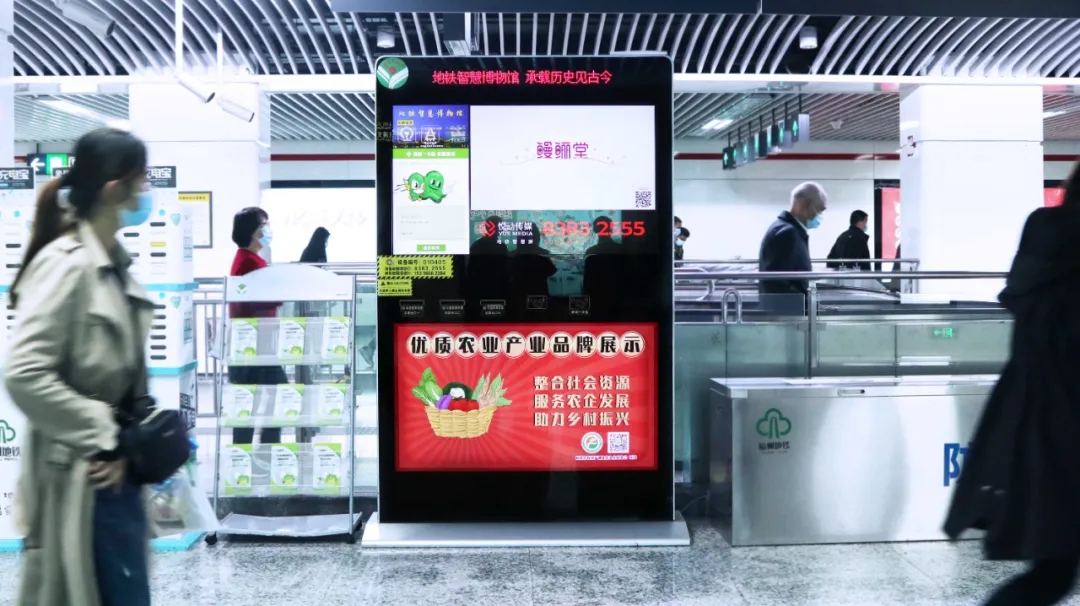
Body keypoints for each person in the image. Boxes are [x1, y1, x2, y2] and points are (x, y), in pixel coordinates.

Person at [3, 128, 155, 605]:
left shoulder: (113, 264)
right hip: (83, 479)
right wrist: (104, 433)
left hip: (117, 473)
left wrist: (136, 440)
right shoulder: (66, 264)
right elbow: (24, 372)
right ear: (115, 189)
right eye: (143, 178)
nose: (147, 189)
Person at [943, 163, 1080, 606]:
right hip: (1065, 424)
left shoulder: (1044, 234)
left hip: (1036, 421)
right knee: (1054, 572)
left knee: (1052, 572)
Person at [229, 206, 286, 446]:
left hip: (254, 341)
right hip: (254, 343)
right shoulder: (249, 262)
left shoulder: (250, 259)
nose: (268, 229)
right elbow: (265, 297)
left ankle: (252, 452)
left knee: (252, 401)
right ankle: (265, 450)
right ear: (252, 231)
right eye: (264, 224)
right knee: (273, 395)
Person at [758, 182, 827, 308]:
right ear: (805, 205)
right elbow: (777, 283)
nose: (819, 216)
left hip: (788, 310)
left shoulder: (786, 229)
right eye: (819, 210)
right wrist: (808, 306)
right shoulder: (787, 233)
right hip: (786, 313)